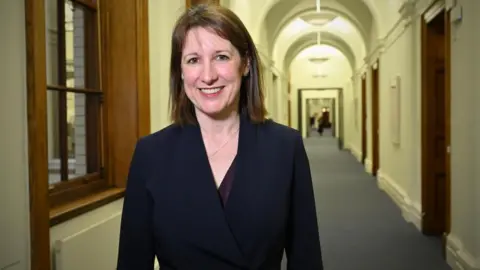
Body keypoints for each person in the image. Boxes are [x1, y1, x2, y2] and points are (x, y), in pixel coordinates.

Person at [117, 4, 323, 270]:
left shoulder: (285, 148)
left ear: (246, 63)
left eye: (221, 57)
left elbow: (306, 260)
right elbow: (132, 264)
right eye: (193, 60)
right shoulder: (151, 154)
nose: (208, 75)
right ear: (180, 72)